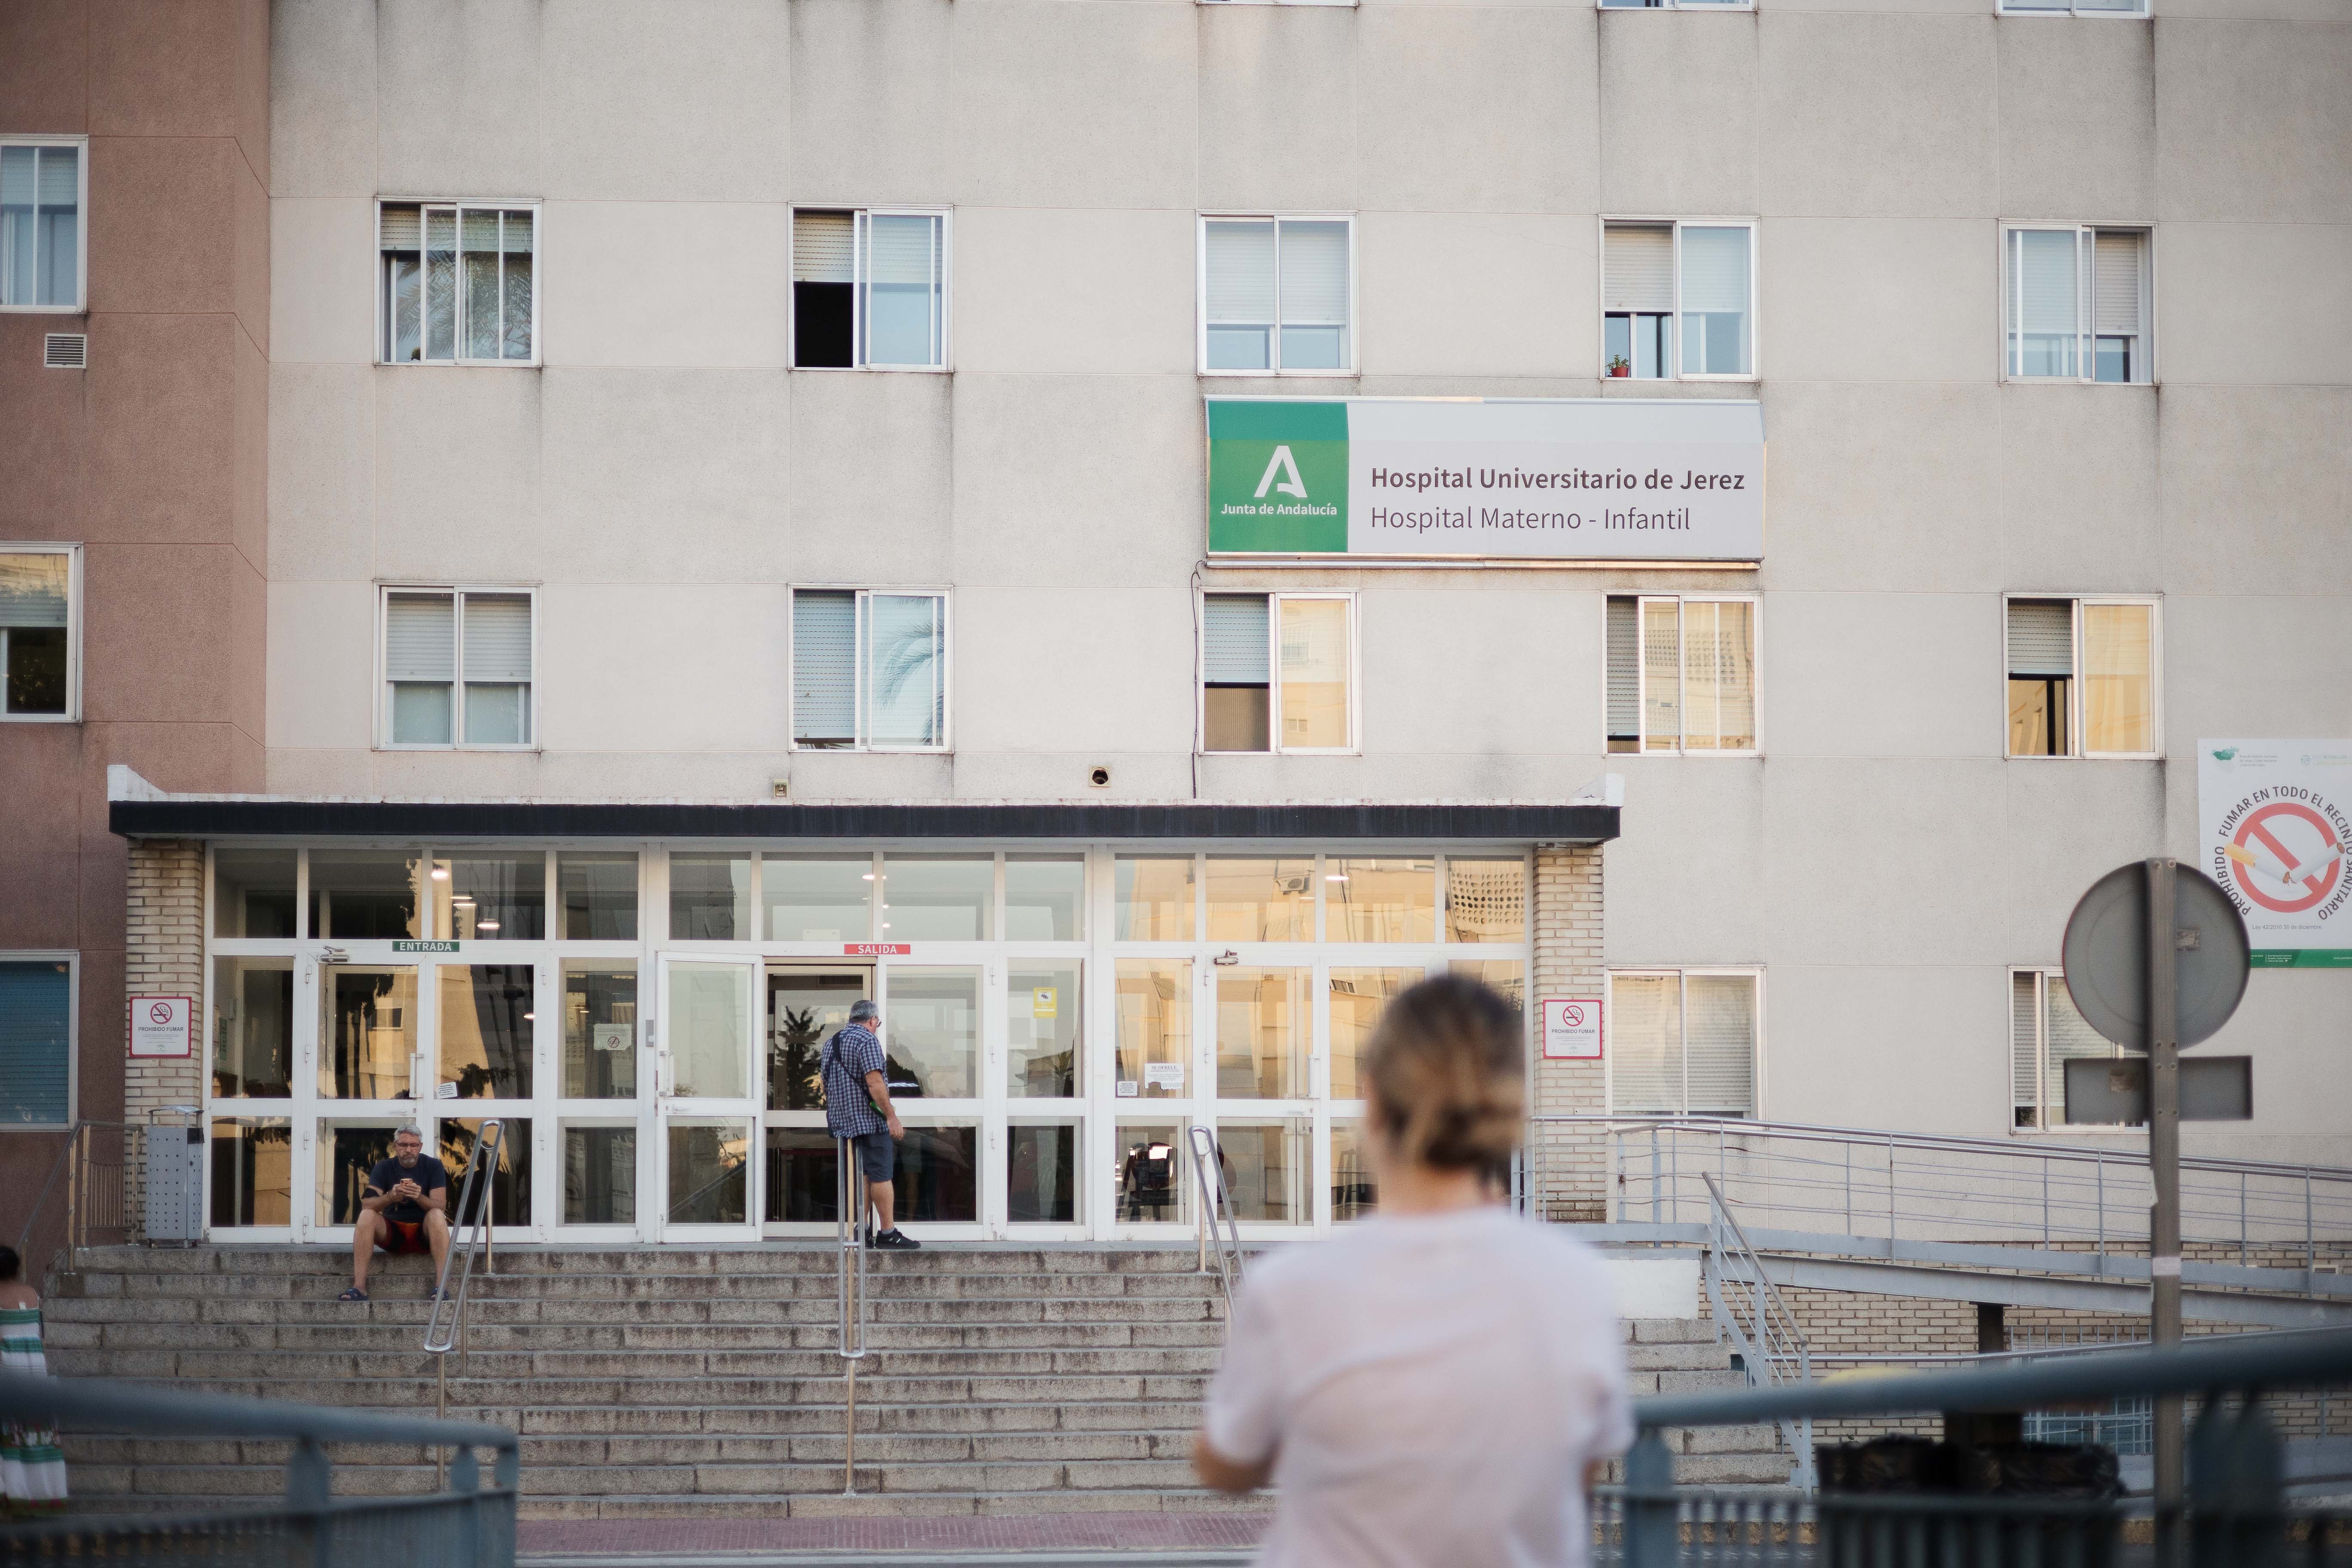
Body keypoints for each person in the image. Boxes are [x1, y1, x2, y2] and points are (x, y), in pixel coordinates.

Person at [1193, 974, 1632, 1568]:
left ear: (1372, 1100)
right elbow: (1581, 1471)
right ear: (1508, 1105)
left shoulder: (1294, 1288)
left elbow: (1225, 1464)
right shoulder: (1579, 1282)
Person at [821, 999, 919, 1250]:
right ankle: (888, 1233)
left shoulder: (830, 1044)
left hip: (844, 1123)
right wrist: (891, 1116)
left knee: (863, 1175)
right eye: (878, 1023)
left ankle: (862, 1230)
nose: (877, 1026)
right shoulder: (867, 1040)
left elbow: (824, 1085)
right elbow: (875, 1083)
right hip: (870, 1121)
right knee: (881, 1176)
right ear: (873, 1021)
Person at [339, 1126, 450, 1302]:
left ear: (420, 1147)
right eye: (404, 1145)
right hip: (393, 1234)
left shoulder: (433, 1165)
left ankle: (441, 1286)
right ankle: (359, 1287)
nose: (409, 1150)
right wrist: (392, 1197)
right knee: (366, 1216)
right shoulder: (384, 1167)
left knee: (436, 1215)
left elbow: (440, 1206)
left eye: (413, 1145)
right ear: (395, 1146)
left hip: (424, 1234)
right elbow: (367, 1204)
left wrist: (419, 1197)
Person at [0, 1245, 67, 1517]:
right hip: (35, 1373)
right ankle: (41, 1493)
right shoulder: (33, 1294)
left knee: (9, 1438)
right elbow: (39, 1335)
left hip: (8, 1372)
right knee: (34, 1438)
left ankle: (13, 1494)